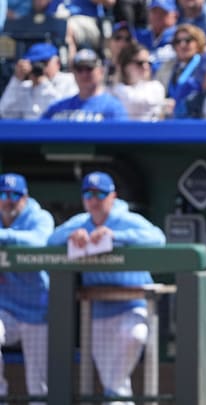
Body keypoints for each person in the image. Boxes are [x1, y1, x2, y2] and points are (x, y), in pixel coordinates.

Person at [47, 171, 166, 403]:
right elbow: (51, 241)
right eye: (88, 194)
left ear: (112, 196)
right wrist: (72, 235)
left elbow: (157, 238)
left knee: (135, 337)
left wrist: (116, 235)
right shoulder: (81, 221)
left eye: (100, 193)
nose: (94, 199)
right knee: (115, 383)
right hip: (98, 309)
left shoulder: (125, 218)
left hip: (133, 304)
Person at [0, 173, 55, 405]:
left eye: (16, 195)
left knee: (39, 385)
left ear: (25, 198)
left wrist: (3, 237)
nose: (9, 199)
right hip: (6, 310)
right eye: (3, 194)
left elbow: (41, 240)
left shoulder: (39, 216)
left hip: (37, 312)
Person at [41, 49, 128, 121]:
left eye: (89, 68)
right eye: (79, 69)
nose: (84, 74)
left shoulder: (112, 107)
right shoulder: (59, 107)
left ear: (101, 71)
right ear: (74, 73)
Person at [0, 43, 78, 119]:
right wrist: (16, 80)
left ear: (57, 62)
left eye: (44, 62)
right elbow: (5, 113)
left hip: (55, 130)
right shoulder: (25, 86)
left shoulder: (69, 80)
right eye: (34, 63)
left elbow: (63, 114)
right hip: (30, 131)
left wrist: (43, 84)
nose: (39, 67)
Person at [110, 42, 169, 121]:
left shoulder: (156, 87)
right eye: (139, 63)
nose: (145, 67)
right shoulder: (116, 90)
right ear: (125, 66)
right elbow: (132, 99)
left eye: (148, 63)